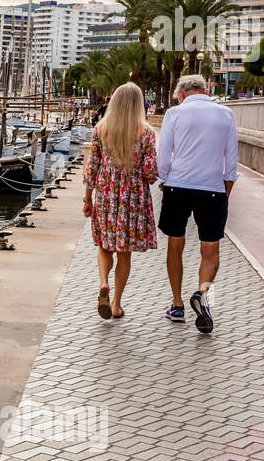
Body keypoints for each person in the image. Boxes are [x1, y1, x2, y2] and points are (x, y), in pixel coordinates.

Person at [156, 74, 239, 333]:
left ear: (181, 93)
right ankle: (203, 294)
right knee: (210, 251)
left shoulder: (174, 114)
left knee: (175, 245)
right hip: (212, 190)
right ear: (206, 89)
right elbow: (232, 159)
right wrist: (225, 190)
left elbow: (163, 154)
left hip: (178, 186)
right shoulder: (226, 114)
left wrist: (164, 180)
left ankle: (178, 305)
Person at [83, 82, 158, 320]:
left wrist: (87, 199)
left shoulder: (101, 130)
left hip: (105, 195)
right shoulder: (145, 133)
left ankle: (103, 283)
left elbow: (91, 168)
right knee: (124, 253)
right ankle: (115, 303)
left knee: (105, 246)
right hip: (132, 200)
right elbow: (150, 172)